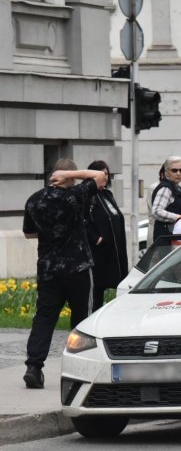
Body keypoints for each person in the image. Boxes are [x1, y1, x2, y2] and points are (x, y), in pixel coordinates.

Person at [22, 159, 107, 388]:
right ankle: (81, 365)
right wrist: (74, 173)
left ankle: (34, 366)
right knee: (82, 318)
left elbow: (29, 233)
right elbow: (99, 176)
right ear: (68, 176)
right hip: (77, 267)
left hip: (48, 268)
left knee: (45, 316)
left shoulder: (34, 200)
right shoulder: (75, 195)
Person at [85, 160, 129, 311]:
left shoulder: (107, 194)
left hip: (115, 250)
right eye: (101, 174)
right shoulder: (87, 196)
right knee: (98, 287)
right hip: (100, 251)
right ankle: (93, 316)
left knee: (121, 283)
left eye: (107, 174)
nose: (105, 177)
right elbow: (83, 220)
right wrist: (96, 238)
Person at [150, 156, 181, 242]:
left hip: (173, 237)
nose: (178, 173)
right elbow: (156, 211)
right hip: (168, 239)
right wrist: (180, 218)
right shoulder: (166, 188)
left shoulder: (176, 187)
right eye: (174, 170)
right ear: (166, 172)